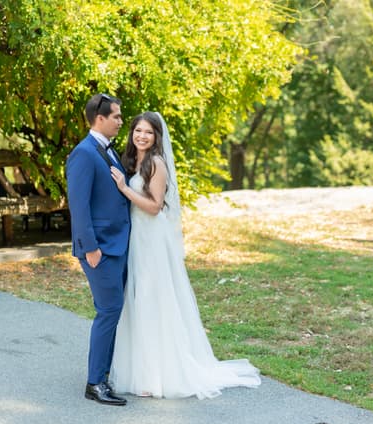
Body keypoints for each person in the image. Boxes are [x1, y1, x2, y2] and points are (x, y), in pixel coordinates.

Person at [108, 112, 261, 399]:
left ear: (156, 138)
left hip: (152, 239)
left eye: (148, 133)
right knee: (139, 300)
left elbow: (154, 207)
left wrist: (124, 189)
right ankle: (141, 369)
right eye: (138, 130)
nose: (142, 136)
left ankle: (158, 376)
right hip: (137, 239)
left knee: (154, 300)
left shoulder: (156, 163)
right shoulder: (133, 160)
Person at [66, 93, 130, 406]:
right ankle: (95, 383)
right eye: (116, 116)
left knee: (112, 310)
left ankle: (105, 374)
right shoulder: (83, 153)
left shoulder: (108, 151)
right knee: (109, 311)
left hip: (117, 245)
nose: (121, 121)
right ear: (99, 118)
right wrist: (90, 248)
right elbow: (78, 206)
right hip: (99, 249)